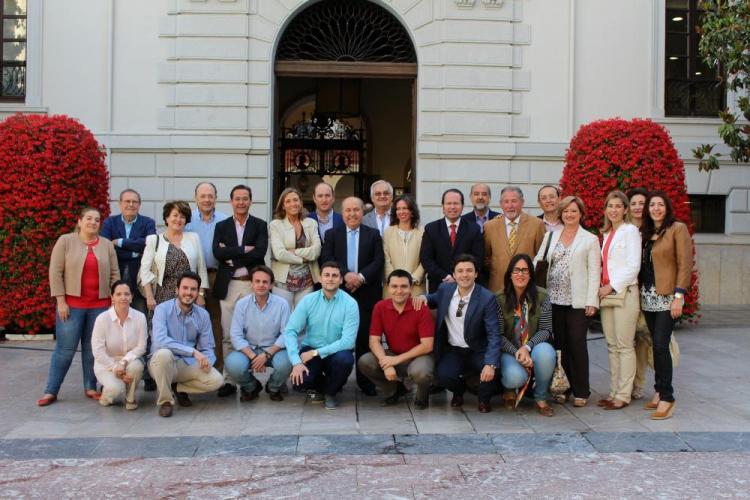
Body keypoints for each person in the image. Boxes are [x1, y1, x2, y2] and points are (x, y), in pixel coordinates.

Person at [38, 207, 120, 407]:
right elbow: (55, 272)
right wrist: (61, 301)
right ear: (80, 221)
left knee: (93, 350)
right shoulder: (66, 241)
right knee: (64, 350)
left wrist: (113, 300)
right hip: (72, 306)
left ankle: (90, 387)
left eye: (97, 219)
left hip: (99, 306)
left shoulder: (107, 245)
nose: (93, 222)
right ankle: (51, 390)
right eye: (89, 219)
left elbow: (115, 274)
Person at [534, 196, 600, 408]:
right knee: (560, 345)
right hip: (553, 299)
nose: (569, 215)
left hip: (578, 301)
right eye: (566, 211)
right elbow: (538, 261)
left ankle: (582, 390)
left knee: (577, 343)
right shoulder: (551, 236)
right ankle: (564, 386)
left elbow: (594, 273)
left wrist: (592, 301)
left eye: (574, 211)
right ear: (560, 214)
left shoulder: (590, 239)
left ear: (581, 213)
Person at [419, 255, 501, 413]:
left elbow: (493, 333)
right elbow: (433, 298)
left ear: (476, 274)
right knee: (443, 376)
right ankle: (459, 391)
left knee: (493, 369)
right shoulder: (445, 290)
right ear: (454, 275)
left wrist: (490, 364)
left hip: (478, 348)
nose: (465, 274)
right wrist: (423, 297)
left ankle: (484, 400)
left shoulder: (487, 298)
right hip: (453, 349)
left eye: (469, 270)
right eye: (460, 271)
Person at [321, 196, 384, 396]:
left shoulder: (373, 234)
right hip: (340, 293)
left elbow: (378, 260)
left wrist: (361, 277)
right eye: (347, 210)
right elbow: (327, 258)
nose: (352, 214)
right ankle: (337, 380)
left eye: (356, 210)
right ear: (342, 212)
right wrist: (346, 274)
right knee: (338, 338)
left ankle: (366, 382)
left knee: (365, 338)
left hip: (367, 293)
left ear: (362, 212)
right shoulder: (332, 234)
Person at [639, 190, 693, 420]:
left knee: (661, 346)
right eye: (652, 205)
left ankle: (667, 397)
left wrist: (679, 297)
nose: (656, 209)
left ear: (667, 207)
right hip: (648, 298)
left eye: (660, 205)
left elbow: (685, 263)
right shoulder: (647, 232)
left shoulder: (677, 229)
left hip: (668, 297)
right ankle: (659, 390)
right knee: (655, 344)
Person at [212, 185, 269, 397]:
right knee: (228, 335)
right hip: (229, 285)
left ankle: (248, 380)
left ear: (251, 201)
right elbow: (217, 252)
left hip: (252, 285)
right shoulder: (222, 225)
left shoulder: (260, 225)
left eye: (245, 198)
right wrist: (244, 250)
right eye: (237, 199)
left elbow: (260, 252)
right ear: (231, 201)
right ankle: (229, 379)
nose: (241, 202)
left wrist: (232, 256)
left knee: (250, 334)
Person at [284, 261, 359, 410]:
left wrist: (316, 353)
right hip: (311, 348)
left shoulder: (350, 304)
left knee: (344, 361)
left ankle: (330, 392)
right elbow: (290, 331)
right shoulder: (308, 300)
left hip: (337, 351)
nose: (330, 279)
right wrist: (296, 362)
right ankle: (325, 386)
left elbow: (348, 341)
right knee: (300, 382)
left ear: (341, 279)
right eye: (327, 275)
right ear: (320, 278)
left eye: (334, 276)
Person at [149, 272, 224, 417]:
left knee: (216, 380)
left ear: (198, 292)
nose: (188, 293)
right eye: (185, 288)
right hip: (161, 363)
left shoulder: (202, 315)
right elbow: (160, 341)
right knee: (164, 354)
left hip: (185, 364)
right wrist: (193, 352)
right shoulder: (162, 309)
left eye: (193, 289)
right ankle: (166, 401)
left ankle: (178, 387)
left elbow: (207, 346)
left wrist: (207, 361)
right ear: (177, 290)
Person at [358, 269, 436, 409]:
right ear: (387, 288)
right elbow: (374, 341)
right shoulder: (380, 307)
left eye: (404, 286)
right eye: (394, 286)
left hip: (419, 356)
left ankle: (422, 397)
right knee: (365, 361)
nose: (399, 291)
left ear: (411, 288)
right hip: (394, 354)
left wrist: (395, 361)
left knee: (421, 372)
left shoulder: (421, 309)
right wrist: (386, 363)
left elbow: (427, 346)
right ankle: (393, 390)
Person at [496, 254, 556, 417]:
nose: (520, 274)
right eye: (516, 270)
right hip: (510, 350)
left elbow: (546, 330)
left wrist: (527, 347)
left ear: (531, 274)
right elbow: (498, 335)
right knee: (515, 377)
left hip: (533, 347)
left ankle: (541, 397)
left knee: (546, 353)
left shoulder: (543, 296)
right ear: (510, 274)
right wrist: (517, 351)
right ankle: (509, 389)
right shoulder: (499, 299)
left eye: (525, 270)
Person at [597, 191, 641, 410]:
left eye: (617, 206)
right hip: (608, 296)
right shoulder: (607, 233)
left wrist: (610, 286)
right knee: (612, 346)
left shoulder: (630, 231)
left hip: (624, 293)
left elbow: (634, 266)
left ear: (625, 210)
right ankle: (613, 391)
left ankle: (624, 394)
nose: (613, 210)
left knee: (624, 346)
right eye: (609, 206)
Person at [224, 265, 293, 402]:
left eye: (265, 282)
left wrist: (267, 354)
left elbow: (286, 334)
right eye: (257, 281)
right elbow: (236, 335)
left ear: (271, 284)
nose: (261, 285)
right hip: (249, 349)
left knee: (288, 361)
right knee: (232, 364)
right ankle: (251, 387)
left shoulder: (282, 304)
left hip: (274, 350)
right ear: (251, 284)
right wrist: (254, 356)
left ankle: (273, 387)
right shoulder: (241, 304)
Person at [185, 182, 228, 371]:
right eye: (203, 196)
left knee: (216, 324)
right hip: (191, 279)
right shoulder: (187, 220)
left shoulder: (225, 220)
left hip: (216, 276)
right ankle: (191, 369)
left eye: (210, 196)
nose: (207, 199)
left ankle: (217, 369)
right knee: (189, 323)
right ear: (195, 198)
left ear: (216, 198)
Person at [139, 200, 209, 311]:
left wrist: (200, 295)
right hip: (162, 296)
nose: (178, 219)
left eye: (182, 216)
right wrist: (149, 297)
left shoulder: (194, 238)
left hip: (189, 294)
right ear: (167, 218)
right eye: (175, 215)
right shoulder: (153, 240)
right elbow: (145, 270)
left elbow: (201, 268)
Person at [91, 281, 147, 410]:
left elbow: (141, 346)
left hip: (129, 360)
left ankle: (130, 398)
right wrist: (115, 367)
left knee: (137, 366)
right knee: (116, 389)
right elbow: (98, 351)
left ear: (132, 297)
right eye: (119, 294)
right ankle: (106, 395)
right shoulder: (102, 319)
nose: (123, 297)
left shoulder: (140, 317)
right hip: (106, 364)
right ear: (112, 297)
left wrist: (124, 362)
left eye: (127, 294)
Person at [100, 189, 156, 313]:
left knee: (140, 316)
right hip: (115, 276)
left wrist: (121, 242)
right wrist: (134, 252)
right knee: (115, 317)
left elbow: (149, 245)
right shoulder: (109, 222)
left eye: (134, 202)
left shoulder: (148, 223)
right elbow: (106, 248)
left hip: (139, 279)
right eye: (127, 201)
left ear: (139, 205)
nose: (131, 204)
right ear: (120, 204)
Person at [420, 189, 484, 294]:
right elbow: (426, 259)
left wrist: (460, 276)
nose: (452, 207)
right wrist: (446, 277)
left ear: (462, 206)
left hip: (467, 286)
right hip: (439, 286)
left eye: (456, 203)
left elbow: (478, 258)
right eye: (449, 203)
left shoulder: (474, 229)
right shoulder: (431, 229)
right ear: (443, 207)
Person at [484, 186, 546, 293]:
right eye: (506, 202)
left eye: (514, 201)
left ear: (522, 202)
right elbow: (486, 257)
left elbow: (541, 258)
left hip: (527, 287)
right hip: (498, 288)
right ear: (501, 204)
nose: (510, 205)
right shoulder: (490, 226)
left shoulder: (536, 224)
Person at [269, 187, 321, 309]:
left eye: (296, 200)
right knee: (283, 319)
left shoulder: (311, 223)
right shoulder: (276, 225)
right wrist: (303, 259)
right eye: (288, 201)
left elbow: (316, 251)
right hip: (282, 282)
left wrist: (294, 252)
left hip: (307, 282)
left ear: (301, 203)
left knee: (303, 319)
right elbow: (279, 254)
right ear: (283, 206)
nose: (293, 204)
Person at [627, 186, 651, 400]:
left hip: (650, 294)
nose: (637, 207)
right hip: (627, 292)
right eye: (633, 203)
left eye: (641, 203)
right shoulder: (623, 229)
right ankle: (626, 383)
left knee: (644, 341)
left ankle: (639, 384)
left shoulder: (653, 230)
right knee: (626, 341)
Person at [383, 194, 425, 298]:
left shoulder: (423, 232)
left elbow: (426, 258)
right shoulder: (388, 232)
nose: (401, 212)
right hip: (392, 288)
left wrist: (413, 278)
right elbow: (386, 258)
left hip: (415, 287)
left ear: (412, 211)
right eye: (398, 209)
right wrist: (394, 280)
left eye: (405, 208)